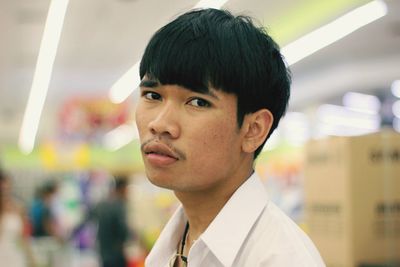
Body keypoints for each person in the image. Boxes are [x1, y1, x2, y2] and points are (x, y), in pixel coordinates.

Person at [135, 8, 325, 267]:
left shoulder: (281, 258)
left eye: (197, 102)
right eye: (153, 96)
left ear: (253, 130)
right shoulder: (171, 247)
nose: (160, 124)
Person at [93, 175, 130, 267]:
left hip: (103, 251)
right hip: (116, 253)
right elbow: (122, 229)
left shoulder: (102, 204)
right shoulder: (119, 205)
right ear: (122, 188)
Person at [0, 169, 35, 267]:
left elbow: (24, 237)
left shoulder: (18, 208)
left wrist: (31, 259)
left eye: (7, 187)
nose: (5, 191)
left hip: (15, 255)